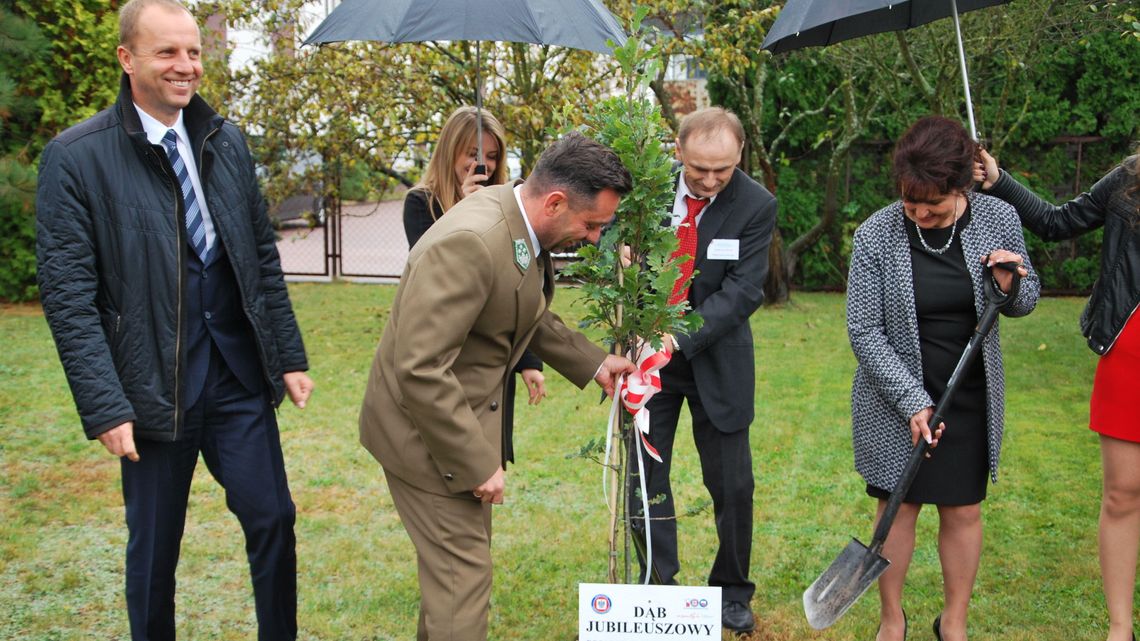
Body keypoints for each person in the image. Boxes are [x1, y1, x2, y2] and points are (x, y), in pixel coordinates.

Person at [34, 1, 313, 639]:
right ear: (127, 59)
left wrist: (288, 356)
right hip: (152, 390)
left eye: (193, 52)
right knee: (155, 548)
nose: (185, 66)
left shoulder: (225, 140)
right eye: (167, 53)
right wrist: (105, 405)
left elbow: (259, 255)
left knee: (272, 519)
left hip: (238, 376)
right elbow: (70, 297)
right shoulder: (76, 158)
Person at [359, 131, 637, 641]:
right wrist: (475, 460)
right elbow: (419, 367)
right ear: (554, 201)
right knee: (462, 581)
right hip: (425, 438)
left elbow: (516, 306)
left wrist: (593, 362)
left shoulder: (515, 217)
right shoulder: (472, 241)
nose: (596, 237)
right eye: (592, 224)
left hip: (449, 425)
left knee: (454, 580)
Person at [846, 116, 1039, 641]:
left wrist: (1009, 282)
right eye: (912, 204)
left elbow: (1025, 296)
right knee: (897, 508)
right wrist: (912, 401)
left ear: (962, 187)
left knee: (962, 509)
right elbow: (863, 329)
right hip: (893, 397)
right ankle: (892, 620)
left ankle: (953, 621)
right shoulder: (877, 233)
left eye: (934, 204)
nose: (921, 213)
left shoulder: (998, 216)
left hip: (967, 395)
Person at [978, 146, 1140, 641]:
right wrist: (1001, 179)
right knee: (1122, 495)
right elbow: (1055, 221)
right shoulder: (1130, 179)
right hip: (1129, 353)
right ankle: (1119, 628)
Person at [630, 107, 778, 634]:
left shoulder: (757, 204)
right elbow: (603, 235)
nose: (711, 180)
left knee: (734, 485)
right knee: (645, 475)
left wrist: (679, 336)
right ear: (677, 150)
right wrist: (619, 251)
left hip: (717, 359)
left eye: (723, 169)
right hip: (649, 362)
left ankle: (732, 591)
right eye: (699, 169)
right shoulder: (645, 189)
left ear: (739, 155)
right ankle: (656, 585)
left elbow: (743, 291)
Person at [403, 106, 546, 464]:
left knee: (488, 455)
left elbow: (522, 289)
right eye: (472, 155)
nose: (481, 165)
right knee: (451, 456)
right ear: (451, 151)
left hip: (494, 350)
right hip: (448, 350)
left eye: (493, 156)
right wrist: (467, 212)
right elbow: (433, 270)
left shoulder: (510, 209)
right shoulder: (422, 203)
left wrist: (529, 361)